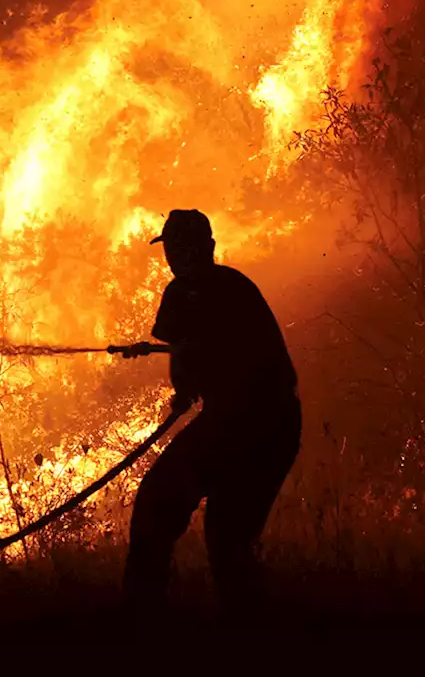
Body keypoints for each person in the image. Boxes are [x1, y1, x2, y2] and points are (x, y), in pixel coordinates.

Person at [120, 208, 301, 615]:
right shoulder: (202, 290)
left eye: (180, 247)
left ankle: (154, 620)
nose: (173, 256)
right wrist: (184, 389)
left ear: (206, 247)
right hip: (246, 422)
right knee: (185, 516)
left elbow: (199, 355)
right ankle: (149, 617)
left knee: (212, 529)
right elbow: (187, 353)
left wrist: (188, 384)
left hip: (255, 423)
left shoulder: (211, 290)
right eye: (170, 249)